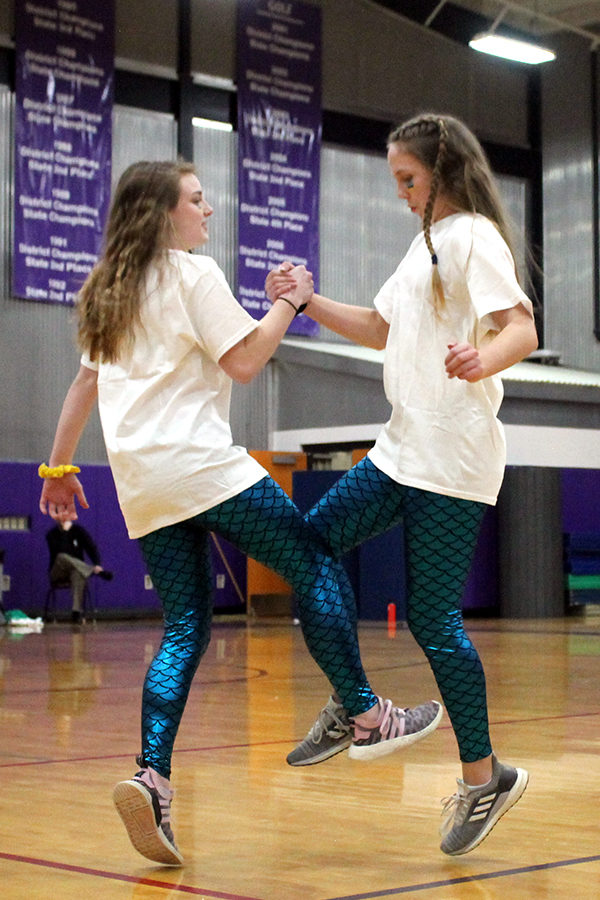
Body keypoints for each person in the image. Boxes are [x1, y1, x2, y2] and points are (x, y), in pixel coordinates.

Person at [38, 160, 442, 867]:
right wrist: (293, 301)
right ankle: (369, 716)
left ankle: (152, 777)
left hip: (143, 485)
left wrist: (59, 469)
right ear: (166, 215)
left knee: (186, 628)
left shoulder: (107, 288)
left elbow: (84, 382)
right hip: (202, 468)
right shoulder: (192, 276)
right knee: (313, 559)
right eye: (197, 200)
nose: (209, 211)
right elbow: (248, 360)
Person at [267, 113, 538, 856]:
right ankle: (358, 707)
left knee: (431, 619)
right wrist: (305, 301)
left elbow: (521, 326)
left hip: (453, 458)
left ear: (442, 172)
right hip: (401, 447)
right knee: (307, 543)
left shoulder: (474, 236)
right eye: (395, 181)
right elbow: (382, 327)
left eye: (407, 179)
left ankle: (486, 778)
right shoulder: (423, 244)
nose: (399, 193)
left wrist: (487, 360)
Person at [45, 518, 113, 623]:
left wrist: (97, 563)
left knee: (78, 574)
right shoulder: (51, 534)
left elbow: (91, 547)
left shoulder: (79, 531)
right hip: (57, 571)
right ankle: (92, 571)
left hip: (75, 570)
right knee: (62, 556)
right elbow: (60, 550)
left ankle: (76, 612)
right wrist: (65, 532)